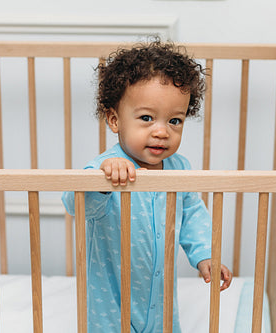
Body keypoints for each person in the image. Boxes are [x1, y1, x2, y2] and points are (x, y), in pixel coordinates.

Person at [62, 40, 232, 333]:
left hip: (160, 294)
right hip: (110, 301)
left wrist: (205, 254)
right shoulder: (106, 168)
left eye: (175, 120)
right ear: (114, 119)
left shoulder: (180, 169)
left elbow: (192, 214)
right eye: (146, 118)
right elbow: (75, 203)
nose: (161, 131)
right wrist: (103, 179)